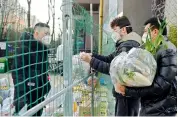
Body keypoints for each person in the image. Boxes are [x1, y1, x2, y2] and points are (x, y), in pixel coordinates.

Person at [80, 16, 141, 116]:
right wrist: (93, 55)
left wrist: (91, 61)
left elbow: (115, 70)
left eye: (115, 30)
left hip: (126, 94)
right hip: (125, 93)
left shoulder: (128, 46)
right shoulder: (124, 45)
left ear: (124, 29)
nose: (113, 34)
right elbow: (110, 59)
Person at [116, 17, 177, 116]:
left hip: (161, 109)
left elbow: (160, 86)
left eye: (145, 31)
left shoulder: (168, 50)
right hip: (151, 106)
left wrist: (128, 91)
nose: (143, 35)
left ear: (156, 31)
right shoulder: (153, 49)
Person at [12, 23, 51, 116]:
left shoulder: (43, 51)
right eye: (46, 33)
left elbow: (43, 72)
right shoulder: (23, 49)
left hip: (39, 96)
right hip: (27, 99)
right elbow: (18, 74)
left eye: (49, 34)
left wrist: (47, 86)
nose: (48, 36)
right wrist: (22, 97)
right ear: (36, 33)